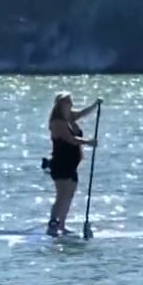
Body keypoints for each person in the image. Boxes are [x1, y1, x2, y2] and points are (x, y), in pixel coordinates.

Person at [45, 92, 100, 236]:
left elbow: (82, 113)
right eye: (69, 102)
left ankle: (62, 225)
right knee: (62, 195)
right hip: (60, 163)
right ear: (61, 104)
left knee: (69, 194)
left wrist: (95, 105)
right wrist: (88, 142)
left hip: (71, 164)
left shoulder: (68, 116)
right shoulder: (57, 122)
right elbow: (70, 139)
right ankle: (52, 224)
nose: (71, 104)